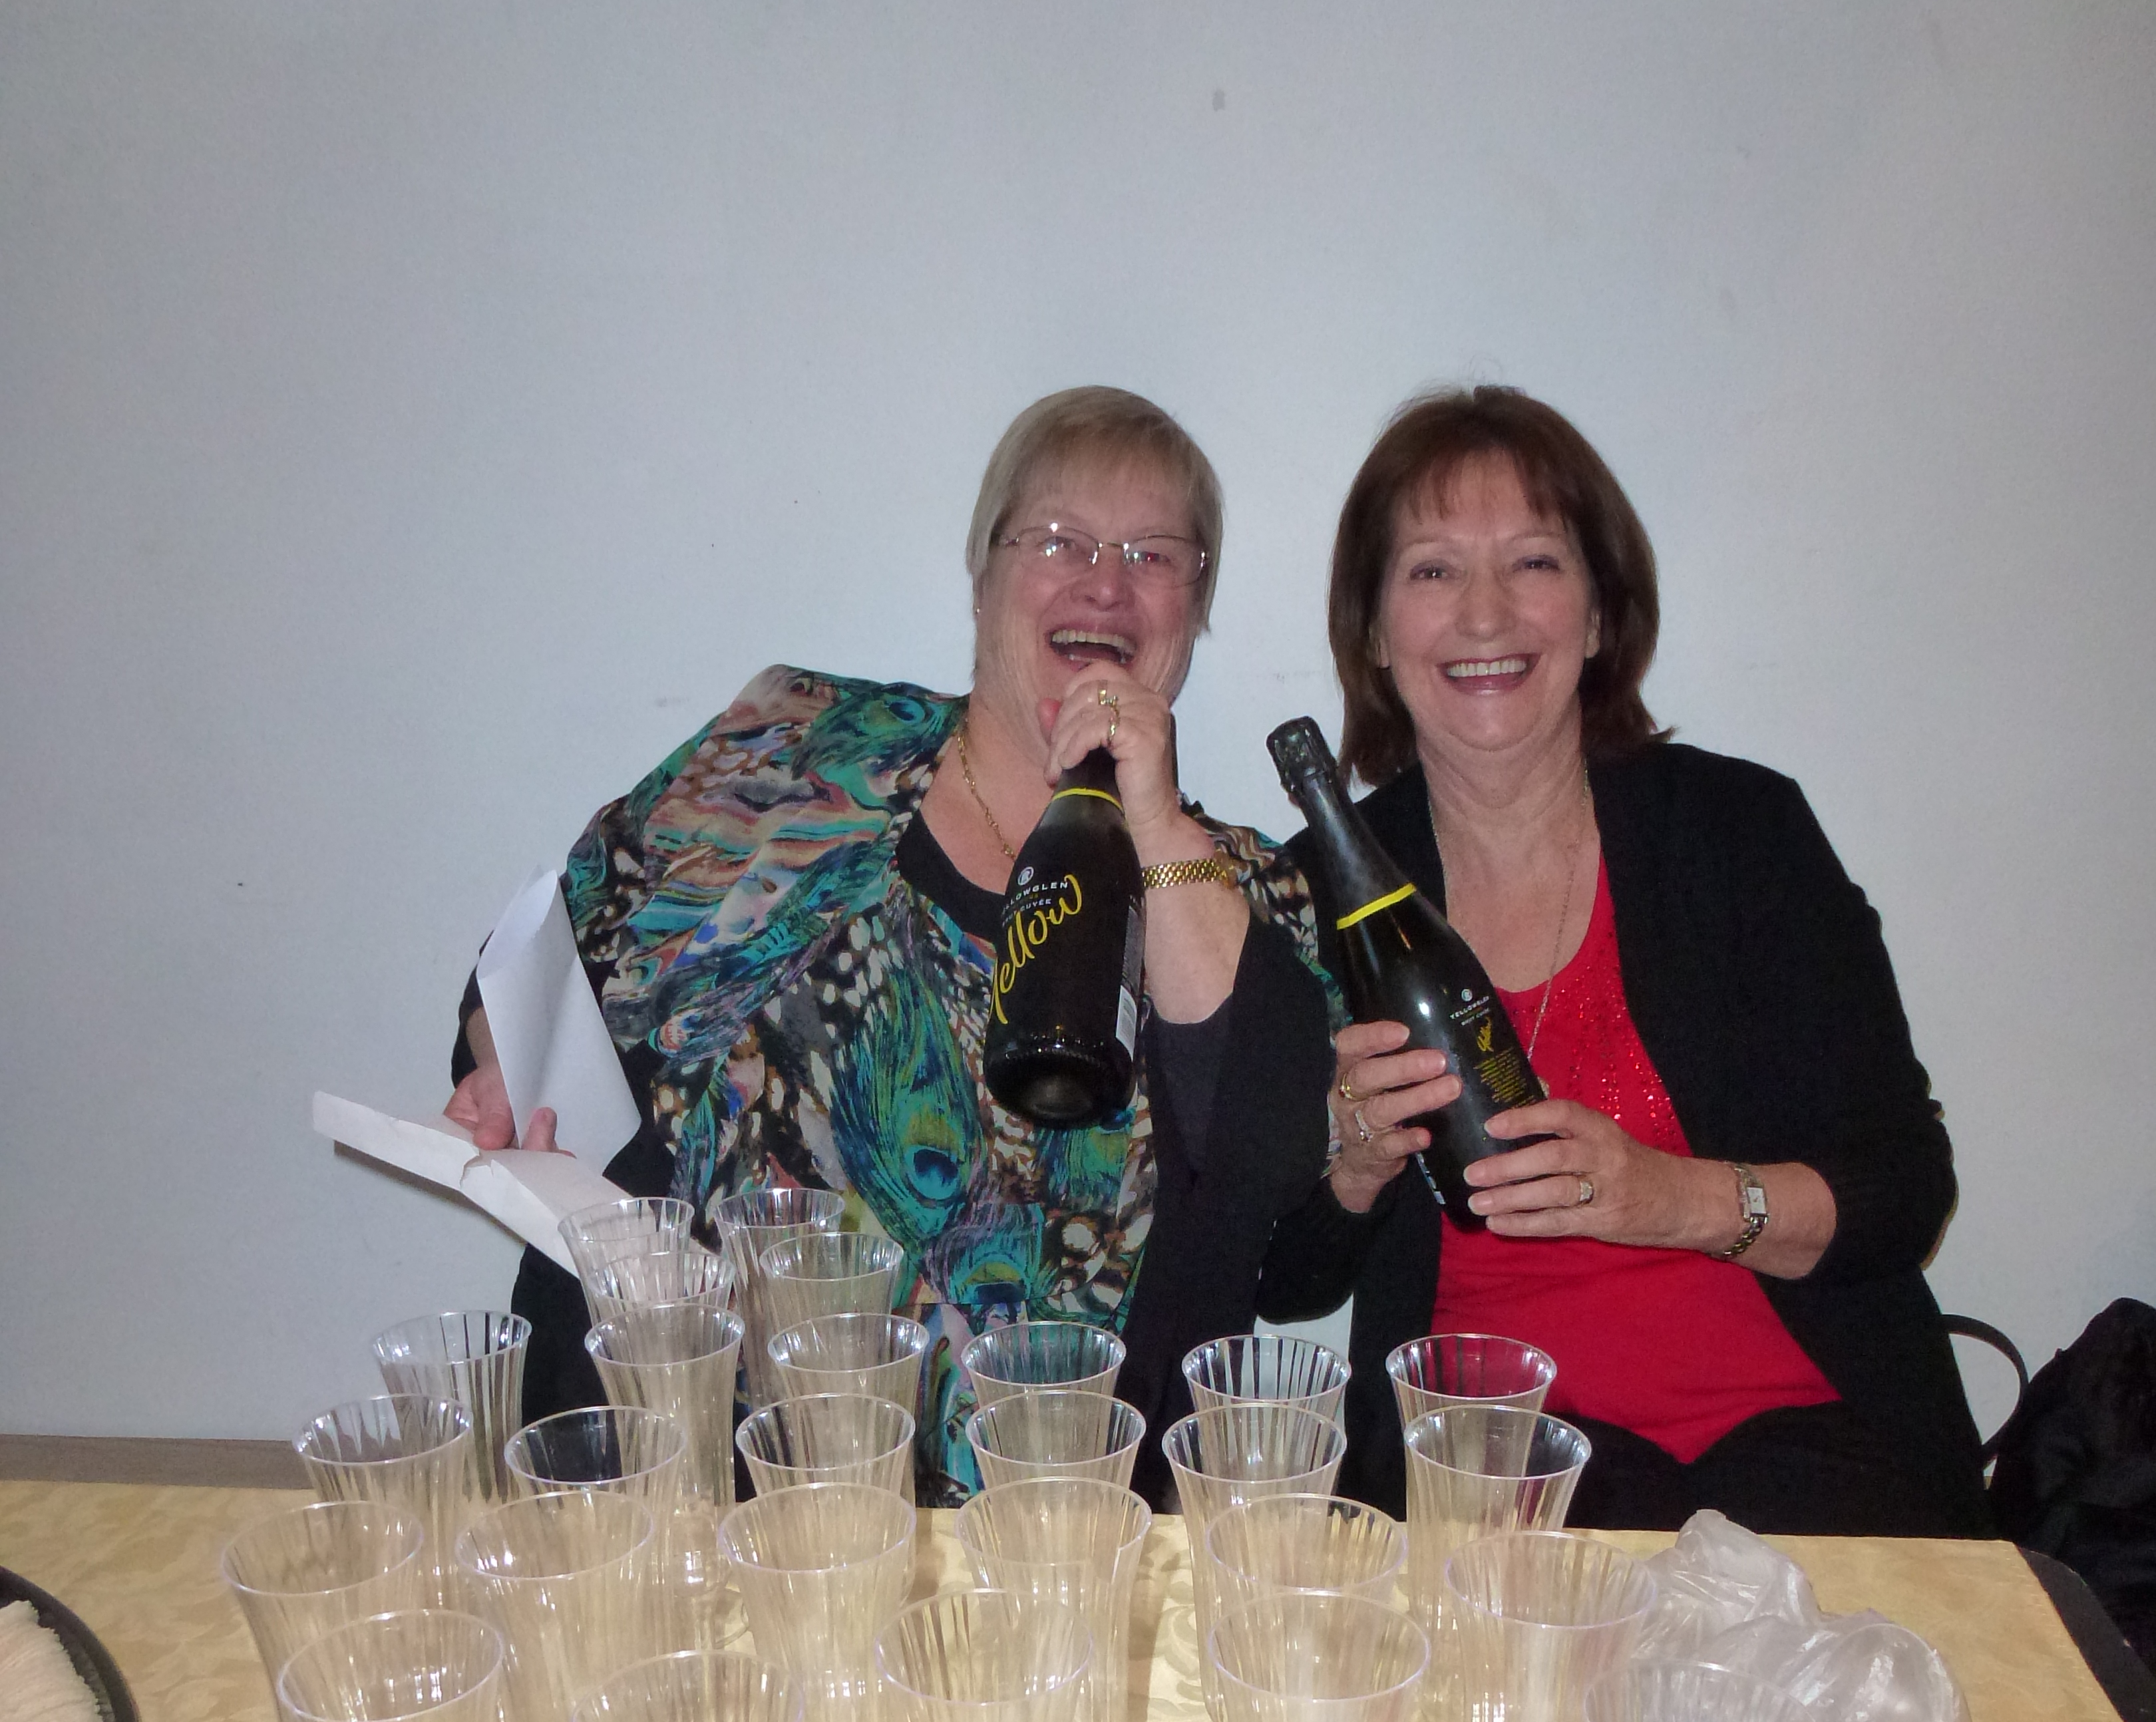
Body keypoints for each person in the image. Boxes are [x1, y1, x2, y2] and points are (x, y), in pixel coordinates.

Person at [445, 386, 1334, 1500]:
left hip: (1035, 1532)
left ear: (1195, 609)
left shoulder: (1237, 887)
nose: (1106, 584)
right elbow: (551, 948)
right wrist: (501, 1058)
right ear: (983, 574)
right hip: (666, 1466)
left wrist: (1148, 816)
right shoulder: (805, 747)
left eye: (1155, 555)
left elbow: (1271, 1165)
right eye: (1059, 539)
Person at [1254, 386, 1992, 1535]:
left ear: (1599, 616)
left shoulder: (1741, 835)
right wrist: (1353, 1167)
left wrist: (1668, 1198)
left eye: (1534, 562)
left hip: (1804, 1439)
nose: (1486, 614)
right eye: (1435, 570)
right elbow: (1284, 1278)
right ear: (1375, 633)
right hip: (1496, 1473)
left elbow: (1904, 1190)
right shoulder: (1312, 891)